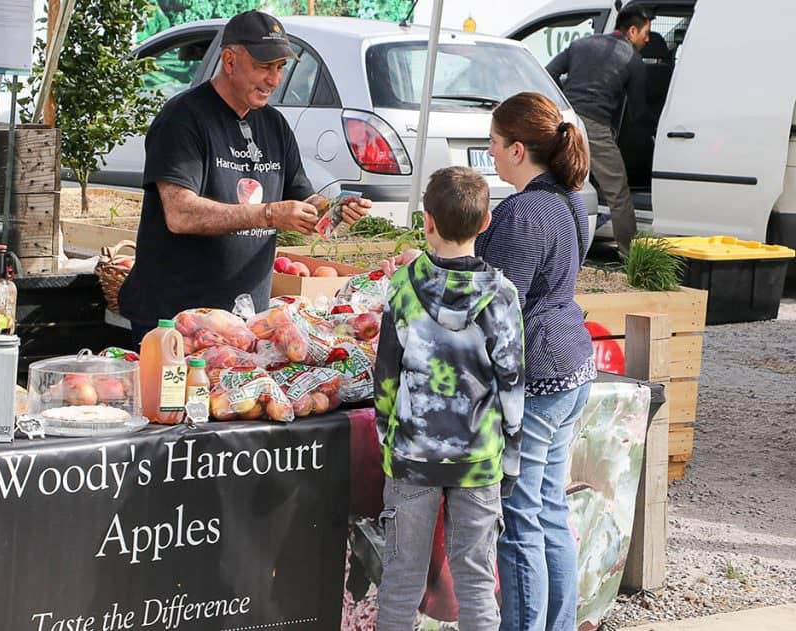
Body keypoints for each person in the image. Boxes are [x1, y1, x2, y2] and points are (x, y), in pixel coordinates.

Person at [118, 10, 372, 347]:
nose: (274, 79)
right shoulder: (183, 119)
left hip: (246, 318)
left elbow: (304, 198)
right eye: (264, 67)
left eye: (280, 67)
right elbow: (180, 214)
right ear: (229, 60)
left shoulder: (275, 126)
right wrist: (269, 214)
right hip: (176, 319)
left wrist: (334, 211)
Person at [374, 166, 525, 631]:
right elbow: (512, 386)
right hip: (479, 459)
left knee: (401, 582)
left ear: (427, 221)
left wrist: (389, 440)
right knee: (477, 585)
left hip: (412, 457)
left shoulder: (402, 288)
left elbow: (386, 377)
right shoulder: (503, 297)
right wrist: (511, 461)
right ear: (485, 223)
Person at [475, 92, 596, 631]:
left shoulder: (525, 211)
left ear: (518, 149)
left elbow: (500, 304)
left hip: (539, 375)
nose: (492, 155)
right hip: (570, 364)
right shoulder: (571, 201)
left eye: (496, 145)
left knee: (521, 518)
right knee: (548, 509)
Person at [545, 5, 652, 255]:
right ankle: (631, 256)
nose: (648, 39)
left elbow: (549, 74)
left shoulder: (581, 45)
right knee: (618, 193)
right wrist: (652, 135)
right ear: (632, 30)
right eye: (646, 33)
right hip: (595, 127)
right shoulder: (633, 60)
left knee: (557, 184)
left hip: (563, 120)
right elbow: (638, 112)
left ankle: (552, 249)